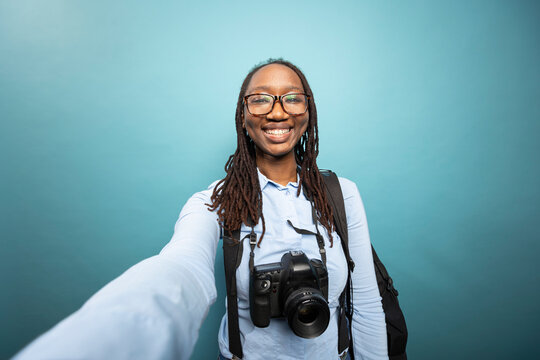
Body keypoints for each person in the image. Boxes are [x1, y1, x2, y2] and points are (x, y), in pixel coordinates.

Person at [13, 59, 388, 360]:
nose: (277, 112)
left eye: (292, 97)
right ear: (243, 116)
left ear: (308, 112)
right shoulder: (217, 202)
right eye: (260, 99)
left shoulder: (341, 195)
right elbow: (181, 267)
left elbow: (367, 304)